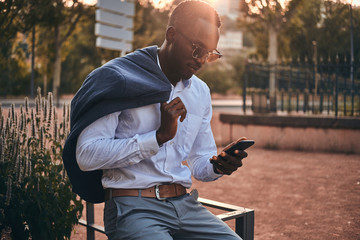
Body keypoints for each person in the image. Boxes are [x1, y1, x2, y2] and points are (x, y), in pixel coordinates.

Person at [62, 1, 249, 239]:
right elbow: (86, 155)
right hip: (133, 208)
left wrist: (219, 165)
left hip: (185, 206)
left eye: (210, 54)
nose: (201, 60)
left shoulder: (200, 92)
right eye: (196, 49)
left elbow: (199, 163)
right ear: (171, 34)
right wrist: (158, 137)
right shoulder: (120, 79)